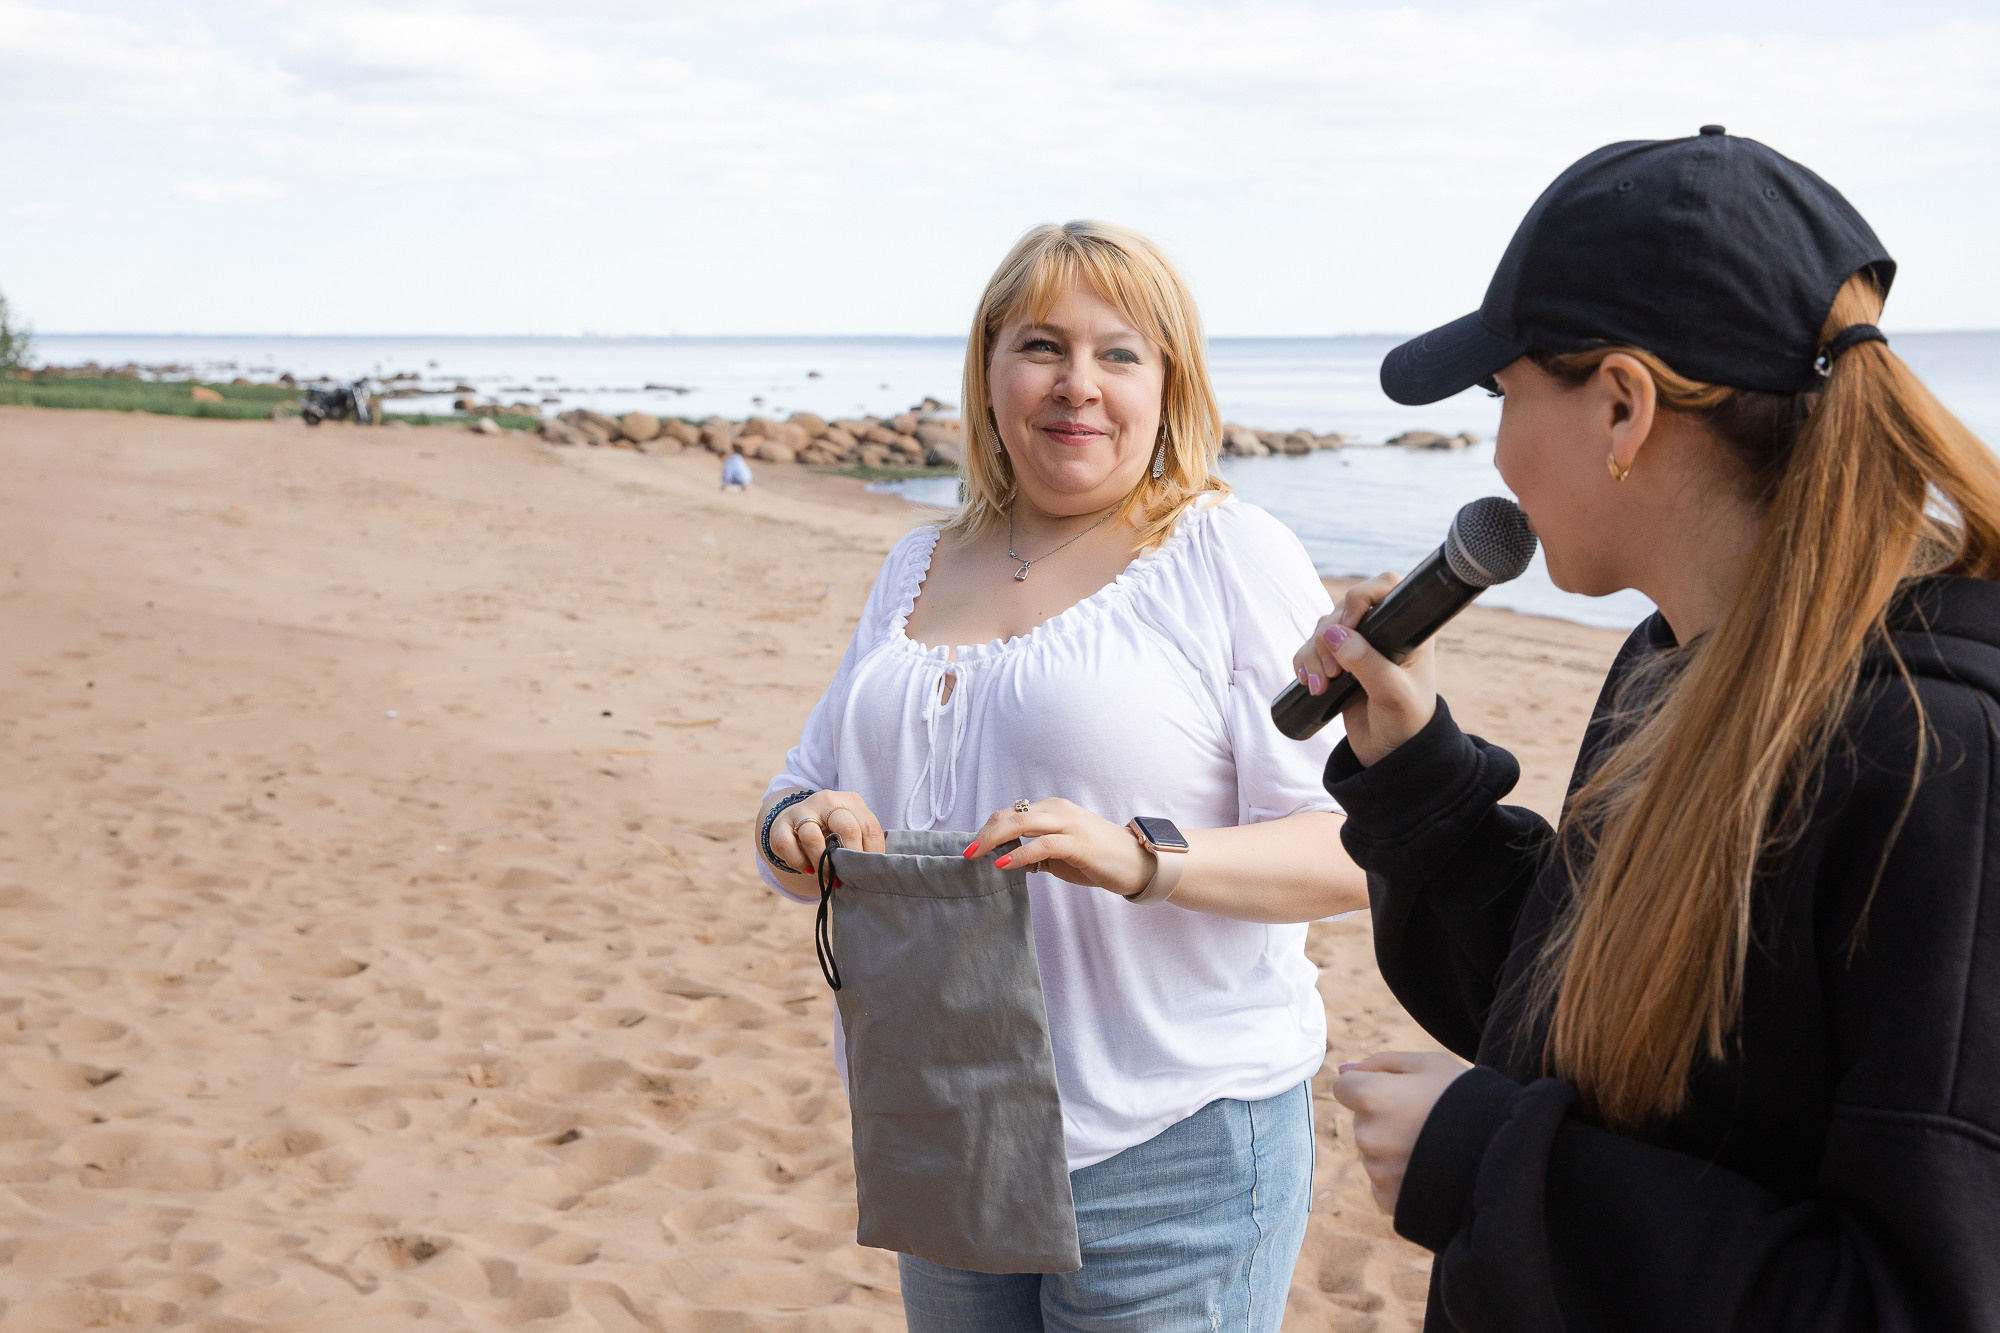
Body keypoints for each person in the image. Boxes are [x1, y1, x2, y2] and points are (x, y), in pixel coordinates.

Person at [1300, 127, 2000, 1330]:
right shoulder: (1678, 658)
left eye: (1502, 393)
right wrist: (1415, 770)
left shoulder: (1937, 760)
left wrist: (1496, 1167)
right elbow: (1598, 1022)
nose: (1495, 446)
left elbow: (1919, 1295)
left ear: (1621, 405)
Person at [753, 220, 1368, 1330]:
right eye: (1040, 346)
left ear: (1167, 383)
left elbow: (1353, 843)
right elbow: (794, 792)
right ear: (988, 371)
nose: (1076, 386)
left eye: (1117, 353)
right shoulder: (915, 564)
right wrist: (804, 825)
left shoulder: (1226, 554)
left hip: (1169, 1143)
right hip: (943, 1125)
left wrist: (1140, 859)